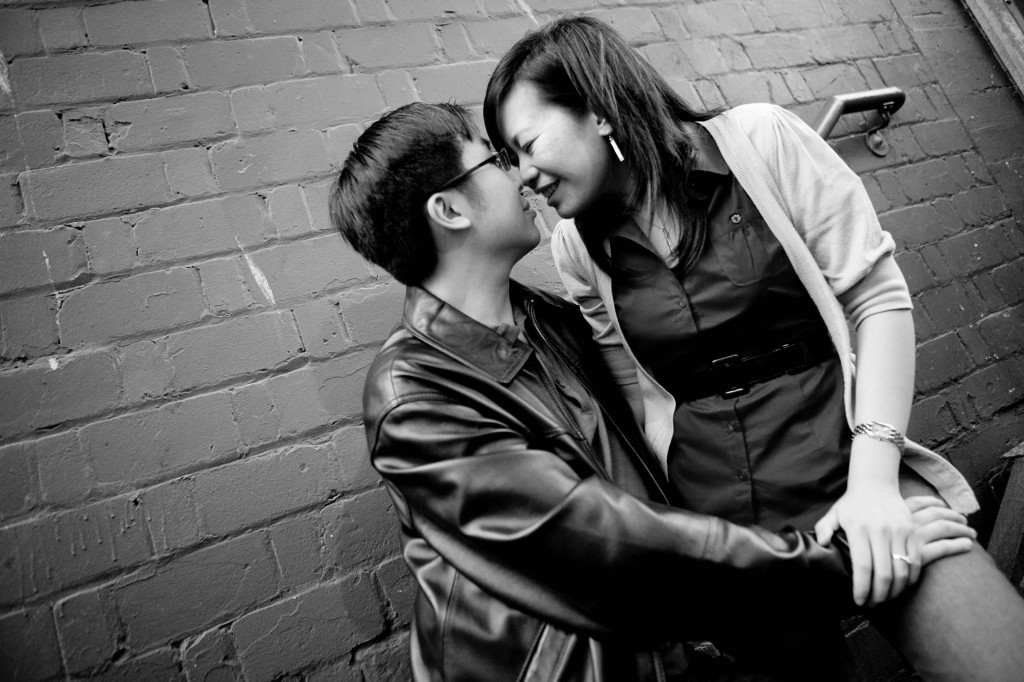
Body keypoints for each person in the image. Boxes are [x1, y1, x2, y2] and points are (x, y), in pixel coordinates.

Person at [329, 101, 978, 681]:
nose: (522, 176)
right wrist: (838, 562)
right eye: (495, 160)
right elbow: (599, 546)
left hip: (666, 644)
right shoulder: (415, 397)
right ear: (449, 210)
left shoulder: (551, 323)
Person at [483, 14, 1024, 681]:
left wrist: (877, 485)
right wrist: (678, 535)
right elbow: (635, 386)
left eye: (527, 145)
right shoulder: (577, 248)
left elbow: (877, 299)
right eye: (509, 160)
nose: (523, 175)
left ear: (598, 110)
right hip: (727, 531)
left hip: (850, 472)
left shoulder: (762, 140)